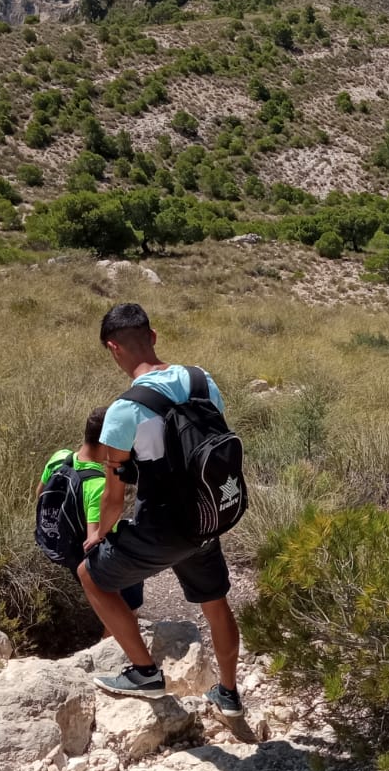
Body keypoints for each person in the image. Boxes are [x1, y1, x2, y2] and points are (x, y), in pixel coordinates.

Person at [77, 303, 244, 716]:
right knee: (215, 599)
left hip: (165, 526)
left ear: (113, 348)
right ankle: (228, 693)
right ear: (153, 337)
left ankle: (144, 672)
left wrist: (97, 535)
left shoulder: (124, 410)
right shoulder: (202, 380)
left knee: (91, 576)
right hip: (209, 513)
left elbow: (115, 498)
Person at [34, 406, 143, 612]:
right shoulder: (97, 484)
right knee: (130, 589)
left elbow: (39, 494)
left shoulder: (59, 457)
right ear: (107, 441)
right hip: (78, 555)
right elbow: (92, 541)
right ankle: (112, 635)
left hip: (53, 541)